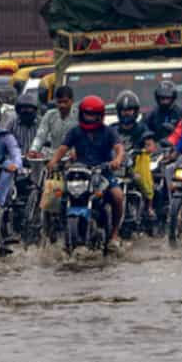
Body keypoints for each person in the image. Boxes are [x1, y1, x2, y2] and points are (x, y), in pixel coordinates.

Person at [47, 96, 125, 250]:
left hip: (102, 173)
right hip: (79, 173)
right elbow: (63, 148)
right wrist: (53, 161)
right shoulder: (75, 131)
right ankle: (49, 232)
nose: (89, 118)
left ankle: (115, 233)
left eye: (93, 115)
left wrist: (117, 160)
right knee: (52, 192)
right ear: (81, 114)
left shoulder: (108, 131)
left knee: (117, 196)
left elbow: (119, 147)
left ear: (100, 115)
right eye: (86, 114)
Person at [112, 90, 158, 220]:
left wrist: (147, 148)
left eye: (130, 110)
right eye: (123, 110)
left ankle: (149, 206)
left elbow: (151, 144)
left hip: (135, 165)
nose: (126, 113)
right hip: (116, 166)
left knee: (142, 178)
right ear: (119, 111)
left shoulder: (142, 128)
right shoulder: (113, 129)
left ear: (135, 111)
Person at [30, 85, 78, 155]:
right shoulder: (50, 115)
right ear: (55, 101)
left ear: (72, 101)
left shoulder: (78, 115)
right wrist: (33, 150)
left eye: (65, 102)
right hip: (53, 156)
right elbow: (40, 136)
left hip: (73, 157)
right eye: (59, 102)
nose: (62, 105)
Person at [143, 80, 182, 145]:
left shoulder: (180, 113)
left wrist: (173, 130)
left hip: (176, 147)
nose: (165, 102)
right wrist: (149, 136)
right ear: (158, 98)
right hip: (156, 148)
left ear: (173, 98)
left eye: (167, 98)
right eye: (162, 98)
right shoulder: (152, 113)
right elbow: (144, 127)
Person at [8, 91, 42, 160]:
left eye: (29, 108)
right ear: (18, 110)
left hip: (38, 162)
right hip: (17, 162)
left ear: (35, 110)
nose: (26, 111)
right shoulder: (12, 123)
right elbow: (4, 143)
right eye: (23, 109)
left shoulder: (42, 123)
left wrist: (41, 153)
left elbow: (49, 143)